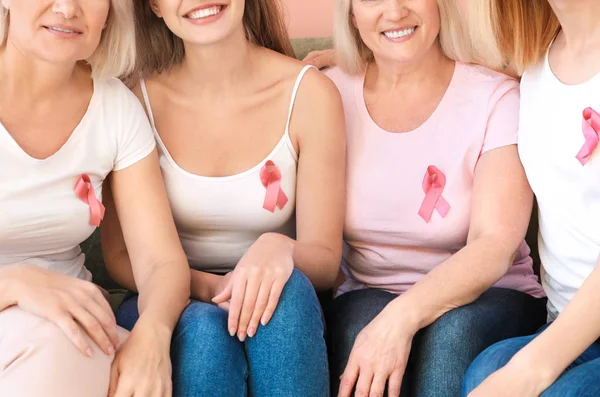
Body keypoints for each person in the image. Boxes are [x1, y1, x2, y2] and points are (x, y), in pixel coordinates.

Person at [100, 0, 346, 395]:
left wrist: (276, 247)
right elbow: (119, 258)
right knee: (203, 332)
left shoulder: (310, 93)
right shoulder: (132, 102)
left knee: (284, 291)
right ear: (155, 7)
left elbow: (325, 259)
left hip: (282, 301)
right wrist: (208, 287)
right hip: (167, 297)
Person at [322, 0, 547, 396]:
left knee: (451, 336)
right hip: (368, 293)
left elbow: (494, 244)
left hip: (493, 294)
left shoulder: (494, 97)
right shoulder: (328, 92)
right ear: (352, 15)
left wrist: (402, 317)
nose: (394, 11)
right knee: (361, 327)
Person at [0, 1, 191, 397]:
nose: (69, 9)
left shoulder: (115, 107)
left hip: (77, 334)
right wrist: (16, 282)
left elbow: (160, 260)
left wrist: (153, 334)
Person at [462, 1, 600, 396]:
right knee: (485, 371)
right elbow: (443, 52)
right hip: (569, 323)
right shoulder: (536, 60)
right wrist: (369, 55)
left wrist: (532, 369)